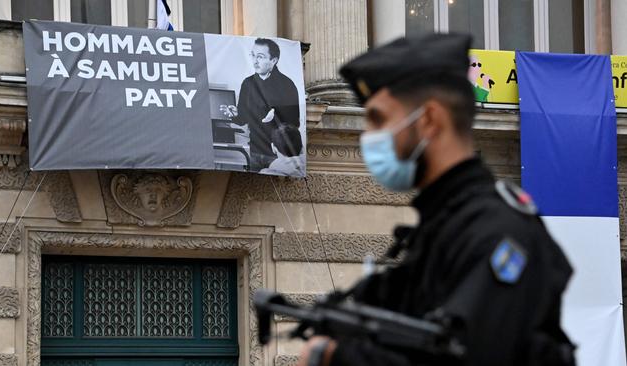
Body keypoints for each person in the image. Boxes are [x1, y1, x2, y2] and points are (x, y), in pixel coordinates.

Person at [297, 34, 576, 366]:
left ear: (428, 120)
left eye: (379, 119)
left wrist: (334, 356)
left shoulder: (496, 232)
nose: (367, 136)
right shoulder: (440, 229)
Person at [221, 38, 301, 172]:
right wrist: (235, 115)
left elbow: (295, 123)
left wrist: (277, 115)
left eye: (260, 57)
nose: (255, 61)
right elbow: (243, 119)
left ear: (274, 60)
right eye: (253, 55)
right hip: (254, 151)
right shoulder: (247, 83)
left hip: (280, 154)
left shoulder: (287, 85)